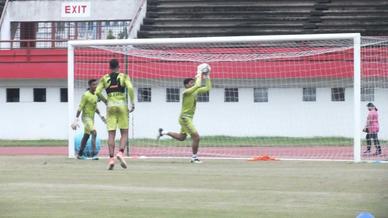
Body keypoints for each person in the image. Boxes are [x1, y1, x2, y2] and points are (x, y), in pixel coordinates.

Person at [157, 64, 212, 163]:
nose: (193, 84)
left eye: (193, 82)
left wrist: (207, 77)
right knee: (196, 137)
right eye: (191, 83)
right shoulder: (186, 92)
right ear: (186, 85)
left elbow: (208, 88)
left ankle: (164, 132)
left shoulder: (195, 91)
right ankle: (194, 158)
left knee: (182, 137)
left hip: (188, 118)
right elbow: (198, 85)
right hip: (185, 118)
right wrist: (199, 73)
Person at [96, 59, 135, 170]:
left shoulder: (105, 78)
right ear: (119, 66)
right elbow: (131, 88)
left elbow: (97, 92)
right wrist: (132, 103)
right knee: (124, 132)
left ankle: (111, 159)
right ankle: (120, 153)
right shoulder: (124, 77)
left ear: (109, 67)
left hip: (110, 107)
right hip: (122, 106)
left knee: (111, 134)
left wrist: (105, 101)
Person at [71, 79, 106, 160]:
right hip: (86, 118)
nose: (95, 86)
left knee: (86, 136)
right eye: (93, 85)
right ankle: (94, 154)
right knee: (94, 132)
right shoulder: (85, 95)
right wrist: (76, 119)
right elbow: (80, 107)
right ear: (90, 85)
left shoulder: (96, 95)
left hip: (91, 118)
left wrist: (101, 116)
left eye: (96, 85)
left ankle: (79, 154)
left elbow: (95, 107)